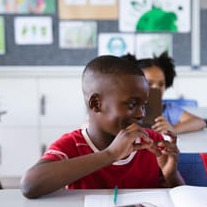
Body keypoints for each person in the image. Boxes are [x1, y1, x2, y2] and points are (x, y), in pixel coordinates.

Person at [20, 55, 184, 199]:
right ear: (96, 104)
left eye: (143, 105)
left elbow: (182, 199)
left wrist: (171, 174)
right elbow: (30, 185)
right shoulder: (72, 146)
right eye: (132, 104)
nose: (141, 114)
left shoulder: (152, 141)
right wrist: (110, 154)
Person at [121, 52, 207, 134]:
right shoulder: (126, 109)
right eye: (149, 83)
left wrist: (173, 129)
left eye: (161, 84)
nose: (156, 88)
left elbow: (200, 122)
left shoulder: (168, 109)